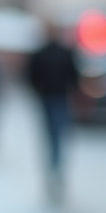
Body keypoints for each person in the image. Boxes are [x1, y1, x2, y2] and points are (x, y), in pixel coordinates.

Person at [25, 23, 80, 201]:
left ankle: (54, 169)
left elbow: (31, 78)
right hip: (58, 98)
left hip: (49, 98)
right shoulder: (64, 52)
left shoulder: (41, 53)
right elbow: (74, 78)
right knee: (58, 136)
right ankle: (56, 169)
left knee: (52, 137)